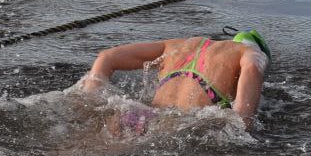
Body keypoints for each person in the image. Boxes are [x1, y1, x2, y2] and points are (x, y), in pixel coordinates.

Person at [79, 30, 271, 133]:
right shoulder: (249, 52)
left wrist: (89, 101)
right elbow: (253, 68)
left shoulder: (177, 45)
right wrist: (243, 126)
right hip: (179, 127)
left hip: (141, 116)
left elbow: (106, 57)